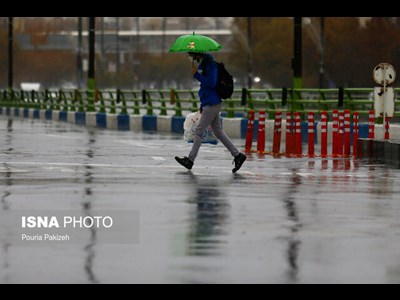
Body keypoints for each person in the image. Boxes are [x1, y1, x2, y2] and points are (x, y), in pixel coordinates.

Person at [175, 51, 247, 173]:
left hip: (212, 103)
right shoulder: (204, 64)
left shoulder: (210, 64)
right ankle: (237, 155)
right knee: (218, 132)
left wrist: (196, 75)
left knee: (199, 132)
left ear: (197, 54)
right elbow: (205, 87)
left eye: (192, 55)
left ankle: (190, 160)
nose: (191, 57)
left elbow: (212, 83)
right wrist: (202, 104)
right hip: (209, 102)